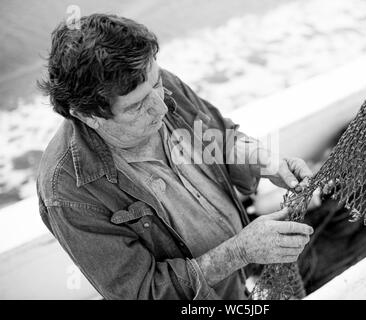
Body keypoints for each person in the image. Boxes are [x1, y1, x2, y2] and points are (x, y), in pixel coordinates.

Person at [37, 13, 314, 300]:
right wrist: (240, 251)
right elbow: (143, 293)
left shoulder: (150, 82)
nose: (162, 107)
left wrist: (265, 162)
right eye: (136, 107)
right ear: (87, 115)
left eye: (156, 85)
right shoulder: (67, 192)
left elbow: (220, 137)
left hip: (243, 279)